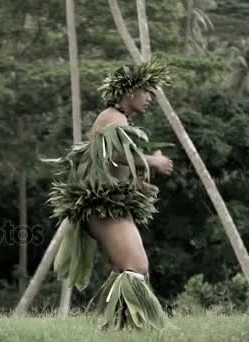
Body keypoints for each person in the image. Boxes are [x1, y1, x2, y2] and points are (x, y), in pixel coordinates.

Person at [46, 59, 173, 329]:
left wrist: (136, 186)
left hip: (108, 204)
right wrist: (152, 161)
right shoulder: (114, 118)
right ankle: (130, 327)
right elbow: (115, 154)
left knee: (130, 267)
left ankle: (119, 328)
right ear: (130, 92)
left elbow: (107, 166)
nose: (150, 98)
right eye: (147, 91)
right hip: (102, 207)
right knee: (135, 265)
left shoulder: (117, 119)